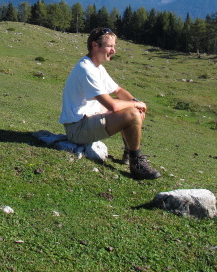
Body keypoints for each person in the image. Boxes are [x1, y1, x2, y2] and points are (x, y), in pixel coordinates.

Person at [60, 27, 161, 180]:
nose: (113, 50)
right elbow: (112, 106)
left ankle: (129, 151)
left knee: (134, 111)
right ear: (95, 46)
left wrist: (134, 102)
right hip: (77, 129)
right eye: (110, 46)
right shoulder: (86, 69)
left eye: (114, 46)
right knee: (132, 113)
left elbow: (118, 90)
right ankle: (136, 161)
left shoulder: (97, 68)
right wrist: (135, 105)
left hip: (88, 118)